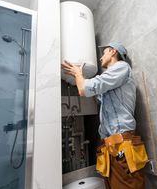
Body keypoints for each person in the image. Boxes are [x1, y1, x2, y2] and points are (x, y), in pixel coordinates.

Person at [61, 42, 148, 189]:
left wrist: (78, 74)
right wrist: (80, 80)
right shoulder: (111, 80)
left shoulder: (121, 67)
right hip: (110, 146)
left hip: (121, 144)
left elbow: (84, 90)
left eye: (104, 53)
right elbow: (93, 92)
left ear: (113, 52)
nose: (101, 57)